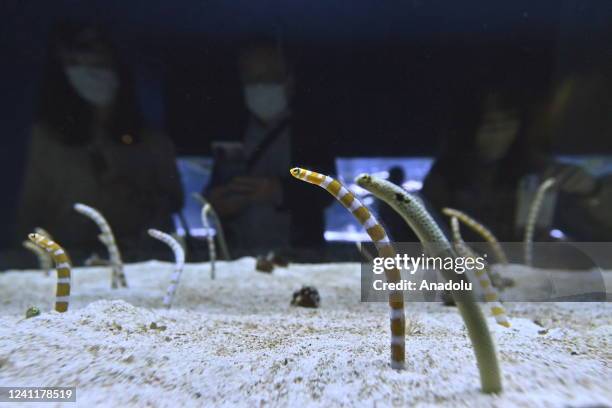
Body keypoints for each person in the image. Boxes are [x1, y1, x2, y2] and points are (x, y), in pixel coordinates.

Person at [16, 22, 183, 261]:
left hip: (141, 260)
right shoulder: (46, 140)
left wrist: (132, 196)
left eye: (99, 62)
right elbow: (29, 216)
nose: (89, 71)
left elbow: (171, 202)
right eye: (75, 63)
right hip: (68, 261)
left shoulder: (154, 142)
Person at [205, 40, 334, 256]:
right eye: (252, 79)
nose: (260, 86)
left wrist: (278, 191)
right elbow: (217, 184)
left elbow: (328, 191)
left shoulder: (310, 131)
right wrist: (216, 202)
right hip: (239, 255)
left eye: (269, 78)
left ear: (289, 81)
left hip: (299, 254)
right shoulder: (232, 130)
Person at [421, 89, 599, 243]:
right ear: (467, 127)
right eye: (489, 123)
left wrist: (590, 192)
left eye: (507, 121)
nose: (499, 132)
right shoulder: (443, 180)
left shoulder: (537, 171)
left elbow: (591, 231)